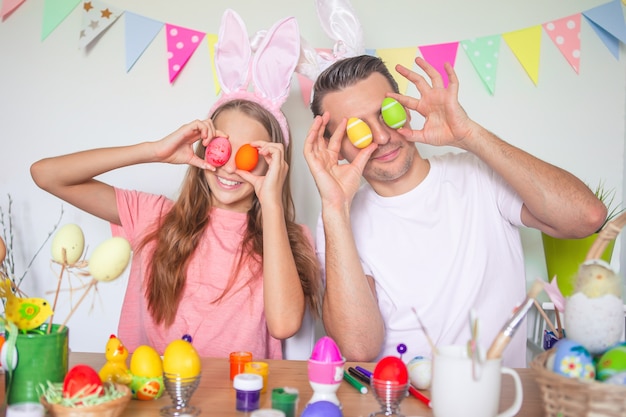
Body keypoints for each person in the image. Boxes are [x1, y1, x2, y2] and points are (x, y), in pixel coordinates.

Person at [30, 10, 321, 359]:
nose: (229, 166)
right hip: (150, 403)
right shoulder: (154, 217)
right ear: (203, 148)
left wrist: (272, 202)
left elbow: (285, 324)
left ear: (272, 162)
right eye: (221, 148)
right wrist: (153, 151)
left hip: (237, 407)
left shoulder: (288, 239)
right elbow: (46, 174)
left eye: (248, 154)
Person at [302, 55, 607, 367]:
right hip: (399, 402)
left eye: (388, 114)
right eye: (357, 131)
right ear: (334, 147)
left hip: (496, 400)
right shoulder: (340, 215)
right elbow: (358, 346)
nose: (381, 137)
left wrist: (470, 136)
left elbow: (587, 217)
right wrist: (335, 208)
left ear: (407, 108)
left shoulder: (478, 175)